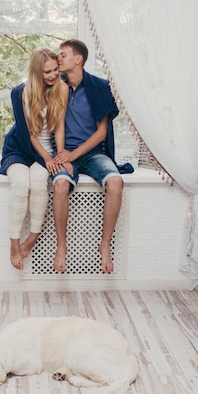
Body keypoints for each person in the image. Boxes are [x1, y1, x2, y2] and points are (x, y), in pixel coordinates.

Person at [52, 39, 132, 274]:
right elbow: (57, 125)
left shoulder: (99, 86)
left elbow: (102, 132)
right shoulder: (58, 87)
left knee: (116, 182)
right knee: (60, 186)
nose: (59, 58)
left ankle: (105, 245)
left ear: (78, 59)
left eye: (63, 54)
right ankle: (61, 246)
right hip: (67, 153)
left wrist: (72, 155)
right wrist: (62, 156)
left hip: (93, 154)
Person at [0, 48, 70, 270]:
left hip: (46, 151)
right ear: (36, 72)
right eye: (46, 72)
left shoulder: (62, 88)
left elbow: (59, 126)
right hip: (21, 147)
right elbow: (28, 132)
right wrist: (47, 158)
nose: (52, 75)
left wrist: (58, 155)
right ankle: (14, 242)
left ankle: (32, 237)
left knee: (39, 183)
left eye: (55, 70)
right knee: (20, 184)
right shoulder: (20, 93)